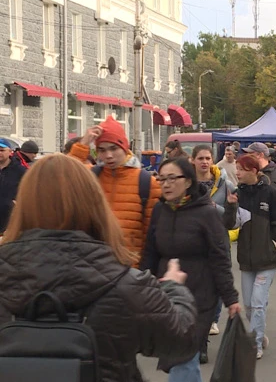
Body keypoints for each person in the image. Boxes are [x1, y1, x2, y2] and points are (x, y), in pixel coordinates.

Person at [0, 154, 197, 382]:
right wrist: (173, 288)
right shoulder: (126, 285)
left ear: (22, 206)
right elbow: (181, 340)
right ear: (94, 205)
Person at [140, 157, 240, 380]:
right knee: (177, 356)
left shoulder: (207, 213)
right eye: (161, 178)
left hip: (200, 297)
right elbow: (150, 253)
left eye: (172, 178)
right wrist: (140, 285)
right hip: (166, 296)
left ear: (188, 182)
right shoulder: (160, 210)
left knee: (183, 356)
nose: (165, 184)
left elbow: (220, 258)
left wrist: (230, 298)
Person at [224, 155, 276, 359]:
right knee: (248, 306)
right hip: (246, 259)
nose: (237, 172)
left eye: (241, 169)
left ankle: (255, 343)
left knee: (257, 302)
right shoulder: (238, 194)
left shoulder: (271, 193)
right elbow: (230, 225)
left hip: (267, 259)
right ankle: (260, 335)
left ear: (254, 170)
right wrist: (230, 206)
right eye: (236, 168)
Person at [69, 118, 162, 265]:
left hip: (130, 271)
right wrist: (83, 144)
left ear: (124, 148)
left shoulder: (146, 183)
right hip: (94, 268)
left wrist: (143, 271)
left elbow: (150, 236)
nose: (108, 156)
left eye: (114, 148)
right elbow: (65, 175)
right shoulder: (92, 176)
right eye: (102, 150)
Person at [190, 144, 236, 351]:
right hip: (194, 240)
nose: (204, 162)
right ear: (193, 161)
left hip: (218, 238)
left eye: (207, 158)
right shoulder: (186, 183)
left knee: (218, 279)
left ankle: (214, 318)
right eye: (200, 158)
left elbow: (231, 214)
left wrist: (214, 206)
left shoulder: (224, 182)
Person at [243, 142, 276, 237]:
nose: (247, 157)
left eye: (250, 154)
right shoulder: (250, 173)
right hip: (254, 225)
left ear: (260, 155)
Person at [0, 140, 27, 234]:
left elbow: (27, 192)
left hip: (10, 220)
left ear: (10, 152)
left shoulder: (20, 171)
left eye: (2, 150)